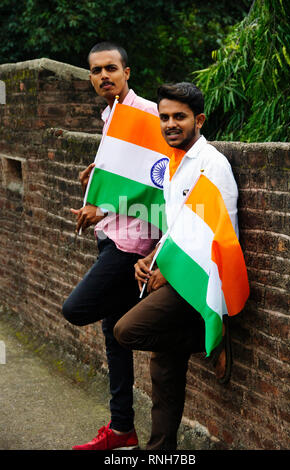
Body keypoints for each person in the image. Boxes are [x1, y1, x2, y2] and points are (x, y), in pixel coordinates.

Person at [114, 82, 238, 450]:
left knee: (126, 331)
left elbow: (221, 234)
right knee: (163, 372)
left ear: (198, 120)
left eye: (179, 117)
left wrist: (170, 271)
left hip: (199, 280)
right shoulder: (172, 164)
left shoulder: (212, 165)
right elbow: (177, 228)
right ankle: (160, 451)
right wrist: (152, 258)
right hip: (170, 272)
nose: (170, 124)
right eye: (164, 116)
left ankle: (206, 336)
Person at [62, 42, 160, 450]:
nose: (104, 76)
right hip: (111, 239)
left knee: (77, 309)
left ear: (127, 72)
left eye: (111, 69)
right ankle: (123, 431)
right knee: (113, 337)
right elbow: (127, 171)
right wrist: (97, 172)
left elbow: (160, 183)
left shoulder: (148, 114)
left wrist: (104, 205)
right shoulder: (110, 115)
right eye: (97, 71)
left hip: (132, 243)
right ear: (90, 77)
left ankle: (170, 326)